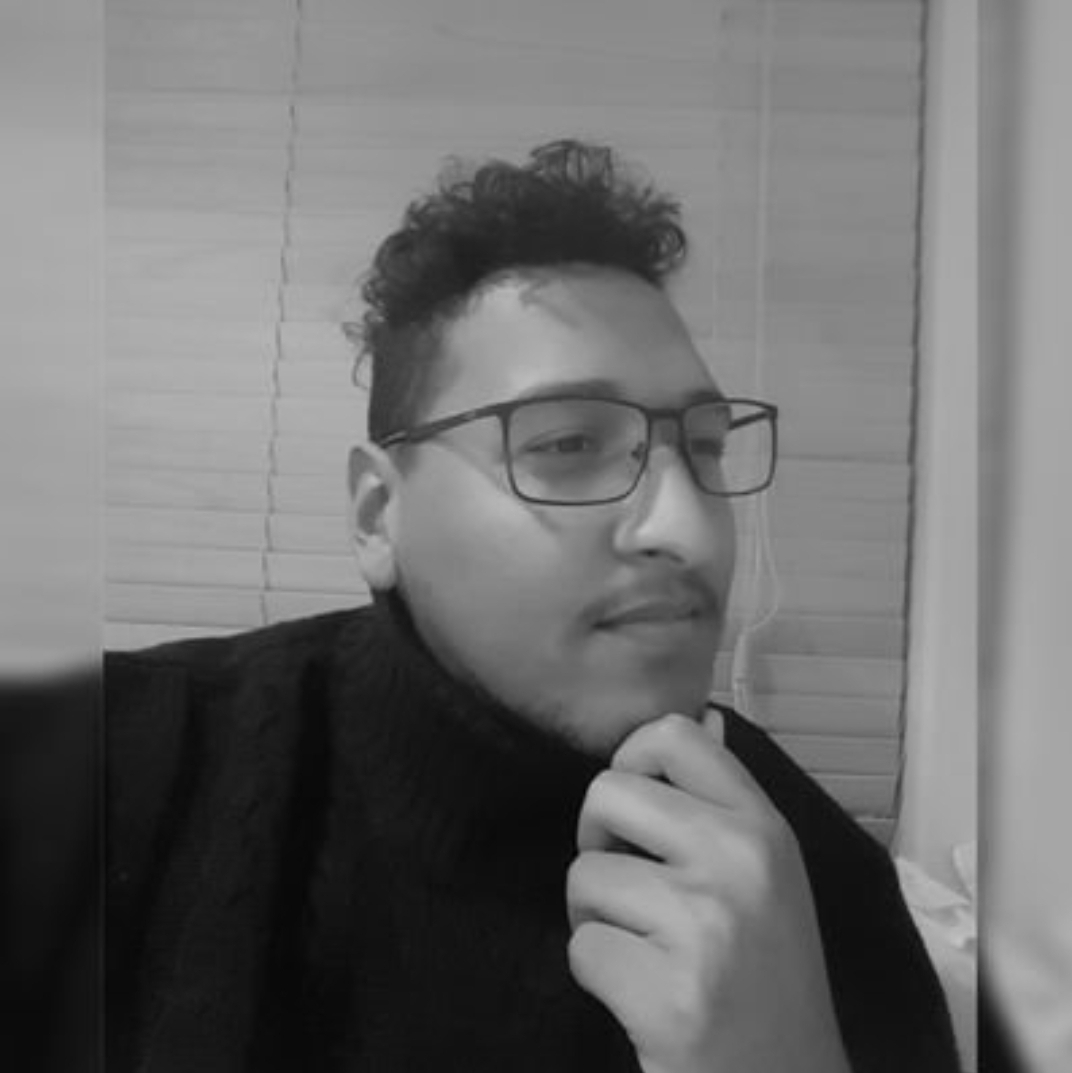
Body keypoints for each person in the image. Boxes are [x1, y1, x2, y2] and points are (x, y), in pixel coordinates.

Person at [104, 140, 961, 1072]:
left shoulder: (807, 875)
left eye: (706, 447)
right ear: (378, 514)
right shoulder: (127, 758)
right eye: (565, 444)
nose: (688, 528)